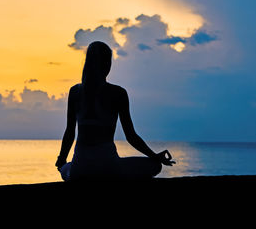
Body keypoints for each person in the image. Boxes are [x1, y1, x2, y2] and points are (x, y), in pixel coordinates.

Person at [56, 41, 175, 181]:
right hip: (109, 168)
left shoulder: (75, 91)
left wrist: (61, 159)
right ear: (107, 64)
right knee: (155, 166)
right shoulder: (118, 93)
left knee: (65, 168)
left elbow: (70, 132)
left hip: (80, 170)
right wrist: (155, 156)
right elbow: (131, 136)